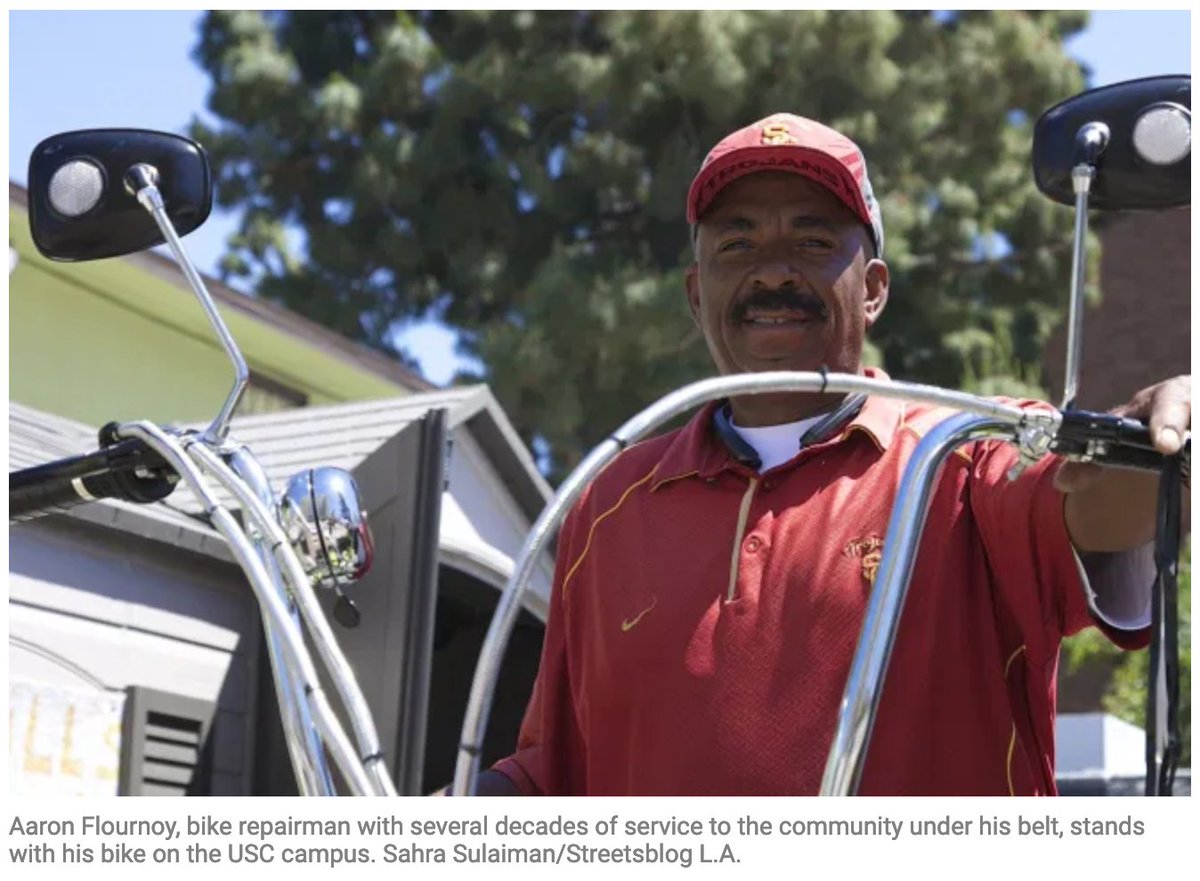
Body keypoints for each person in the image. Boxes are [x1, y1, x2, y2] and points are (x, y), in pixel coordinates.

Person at [474, 112, 1191, 796]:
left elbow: (1099, 502)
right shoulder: (609, 503)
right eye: (737, 245)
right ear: (696, 295)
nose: (773, 273)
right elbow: (551, 771)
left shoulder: (965, 452)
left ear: (873, 290)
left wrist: (1157, 441)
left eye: (814, 242)